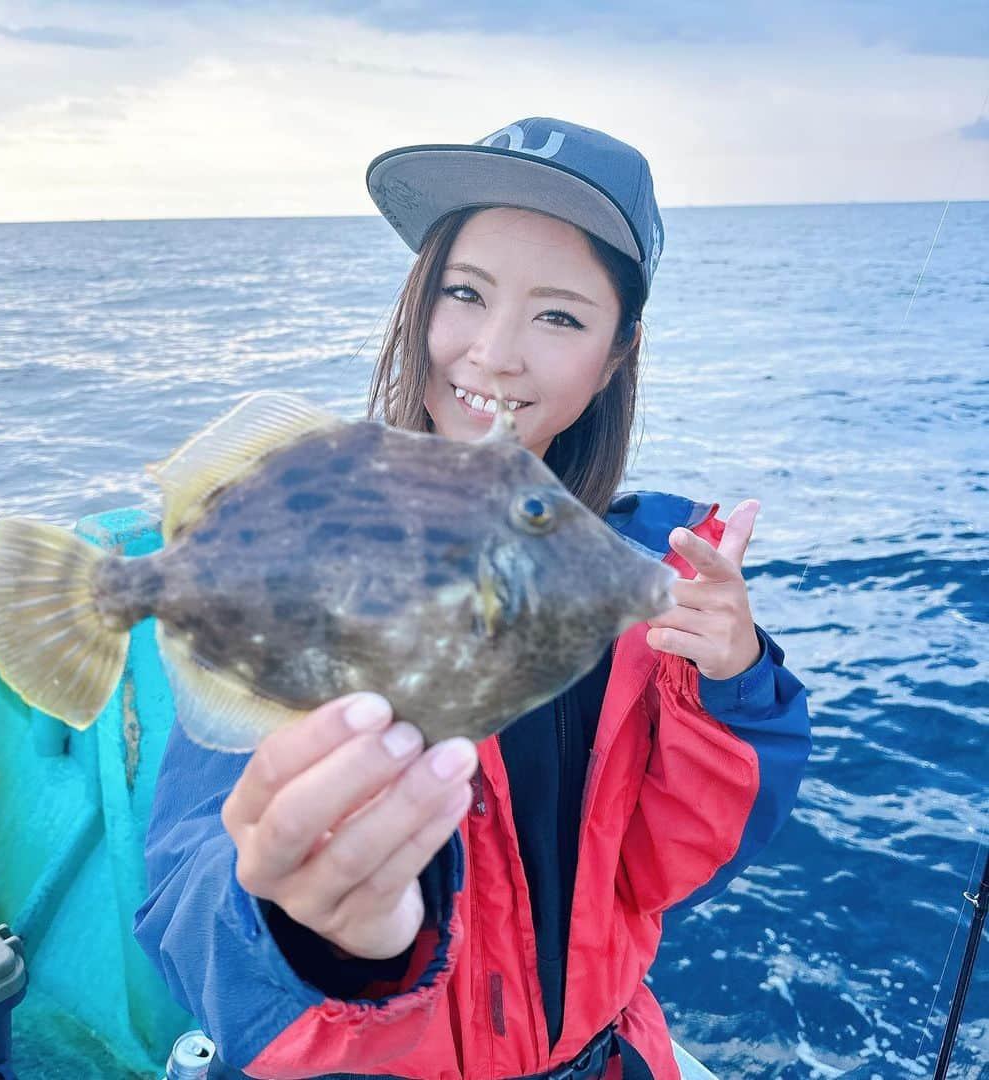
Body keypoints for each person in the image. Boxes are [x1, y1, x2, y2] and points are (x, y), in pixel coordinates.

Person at [133, 117, 811, 1080]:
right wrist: (309, 934)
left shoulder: (642, 577)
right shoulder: (323, 536)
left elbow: (660, 871)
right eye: (466, 293)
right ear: (420, 305)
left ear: (616, 354)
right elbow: (191, 882)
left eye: (560, 317)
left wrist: (731, 682)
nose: (494, 354)